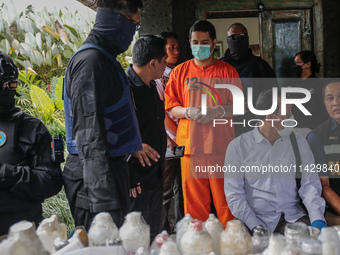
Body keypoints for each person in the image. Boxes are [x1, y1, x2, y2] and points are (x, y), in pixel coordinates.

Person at [63, 0, 148, 230]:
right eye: (135, 26)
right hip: (93, 180)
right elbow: (89, 137)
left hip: (108, 170)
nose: (132, 35)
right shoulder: (91, 63)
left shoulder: (104, 59)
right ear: (121, 19)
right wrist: (103, 203)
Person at [165, 20, 242, 228]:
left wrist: (220, 111)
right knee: (194, 206)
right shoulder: (179, 72)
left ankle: (232, 244)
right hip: (192, 148)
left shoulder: (228, 71)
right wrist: (187, 112)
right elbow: (171, 106)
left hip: (221, 148)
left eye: (204, 42)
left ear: (214, 43)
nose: (199, 46)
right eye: (195, 42)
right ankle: (197, 245)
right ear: (189, 43)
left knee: (227, 203)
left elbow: (240, 107)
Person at [224, 89, 327, 233]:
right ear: (270, 116)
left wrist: (317, 219)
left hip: (291, 217)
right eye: (288, 111)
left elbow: (309, 184)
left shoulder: (298, 142)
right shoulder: (238, 147)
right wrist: (255, 226)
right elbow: (234, 195)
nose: (292, 116)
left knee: (310, 245)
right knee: (236, 245)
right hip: (252, 219)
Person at [0, 53, 62, 235]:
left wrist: (7, 174)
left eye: (10, 85)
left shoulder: (32, 128)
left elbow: (51, 181)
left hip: (20, 235)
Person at [126, 35, 167, 240]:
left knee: (154, 234)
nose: (166, 65)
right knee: (136, 237)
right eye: (164, 60)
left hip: (156, 174)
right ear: (153, 63)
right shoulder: (124, 89)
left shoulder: (153, 86)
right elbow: (108, 131)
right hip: (136, 179)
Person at [219, 23, 276, 136]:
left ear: (247, 39)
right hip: (223, 122)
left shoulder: (260, 65)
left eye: (241, 36)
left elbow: (273, 95)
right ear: (228, 40)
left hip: (253, 122)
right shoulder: (219, 66)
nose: (237, 40)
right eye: (233, 37)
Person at [155, 31, 184, 233]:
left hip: (184, 139)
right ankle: (163, 230)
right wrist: (171, 137)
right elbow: (162, 112)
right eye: (170, 47)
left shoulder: (181, 72)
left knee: (182, 190)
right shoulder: (158, 77)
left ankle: (184, 227)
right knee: (166, 190)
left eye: (177, 47)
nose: (175, 51)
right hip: (170, 140)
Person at [307, 80, 340, 216]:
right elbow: (323, 185)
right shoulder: (317, 137)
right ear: (325, 103)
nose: (336, 102)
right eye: (330, 98)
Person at [291, 50, 328, 133]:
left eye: (298, 62)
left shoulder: (319, 84)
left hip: (313, 127)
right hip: (295, 127)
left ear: (308, 64)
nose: (295, 66)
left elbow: (322, 110)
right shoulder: (293, 84)